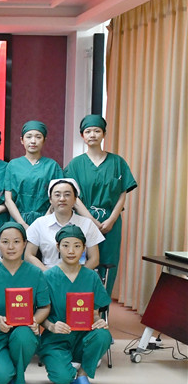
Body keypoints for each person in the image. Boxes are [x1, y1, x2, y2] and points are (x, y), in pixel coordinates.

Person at [0, 222, 51, 384]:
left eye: (16, 242)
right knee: (0, 378)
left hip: (24, 331)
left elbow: (44, 306)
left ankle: (19, 377)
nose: (11, 247)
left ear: (25, 244)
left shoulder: (35, 273)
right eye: (5, 242)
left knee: (23, 334)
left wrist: (34, 321)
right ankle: (3, 367)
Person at [65, 114, 137, 295]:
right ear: (82, 135)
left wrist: (111, 220)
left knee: (108, 263)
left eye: (97, 131)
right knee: (82, 261)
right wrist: (91, 221)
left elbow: (122, 194)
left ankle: (103, 308)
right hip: (83, 221)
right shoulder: (75, 164)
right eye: (88, 131)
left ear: (104, 134)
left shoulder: (117, 162)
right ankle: (79, 306)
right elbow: (74, 198)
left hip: (110, 223)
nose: (92, 135)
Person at [39, 225, 112, 384]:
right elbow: (39, 315)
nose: (71, 251)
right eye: (66, 245)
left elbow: (94, 313)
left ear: (84, 248)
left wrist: (99, 321)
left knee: (103, 335)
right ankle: (65, 370)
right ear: (58, 247)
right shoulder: (47, 277)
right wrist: (51, 326)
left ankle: (82, 376)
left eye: (77, 246)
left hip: (83, 337)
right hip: (56, 339)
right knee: (62, 379)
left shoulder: (91, 277)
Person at [25, 179, 104, 271]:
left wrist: (78, 276)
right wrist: (48, 274)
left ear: (75, 199)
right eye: (57, 195)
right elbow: (29, 255)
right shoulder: (39, 223)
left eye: (67, 194)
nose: (62, 199)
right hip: (48, 274)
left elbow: (94, 259)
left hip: (79, 274)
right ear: (50, 199)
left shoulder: (87, 224)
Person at [4, 121, 64, 229]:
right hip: (18, 220)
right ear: (22, 140)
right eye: (29, 137)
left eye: (38, 137)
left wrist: (43, 222)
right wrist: (22, 224)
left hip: (46, 220)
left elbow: (58, 197)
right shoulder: (13, 165)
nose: (33, 141)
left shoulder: (52, 166)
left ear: (44, 140)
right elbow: (8, 200)